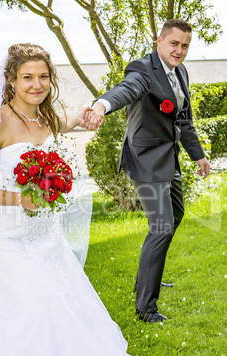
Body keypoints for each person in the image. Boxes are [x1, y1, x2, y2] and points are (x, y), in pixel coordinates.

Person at [0, 43, 160, 356]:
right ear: (10, 80)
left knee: (63, 308)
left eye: (43, 76)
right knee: (27, 312)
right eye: (27, 78)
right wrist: (21, 198)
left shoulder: (48, 118)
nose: (37, 85)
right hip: (11, 242)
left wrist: (94, 110)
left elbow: (77, 117)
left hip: (47, 239)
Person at [88, 19, 210, 324]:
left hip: (169, 159)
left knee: (175, 216)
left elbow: (183, 121)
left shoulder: (180, 72)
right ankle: (146, 307)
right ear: (159, 41)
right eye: (174, 44)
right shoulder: (142, 69)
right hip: (145, 160)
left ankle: (147, 278)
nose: (179, 50)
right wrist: (101, 105)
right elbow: (125, 91)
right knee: (162, 227)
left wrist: (199, 157)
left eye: (185, 46)